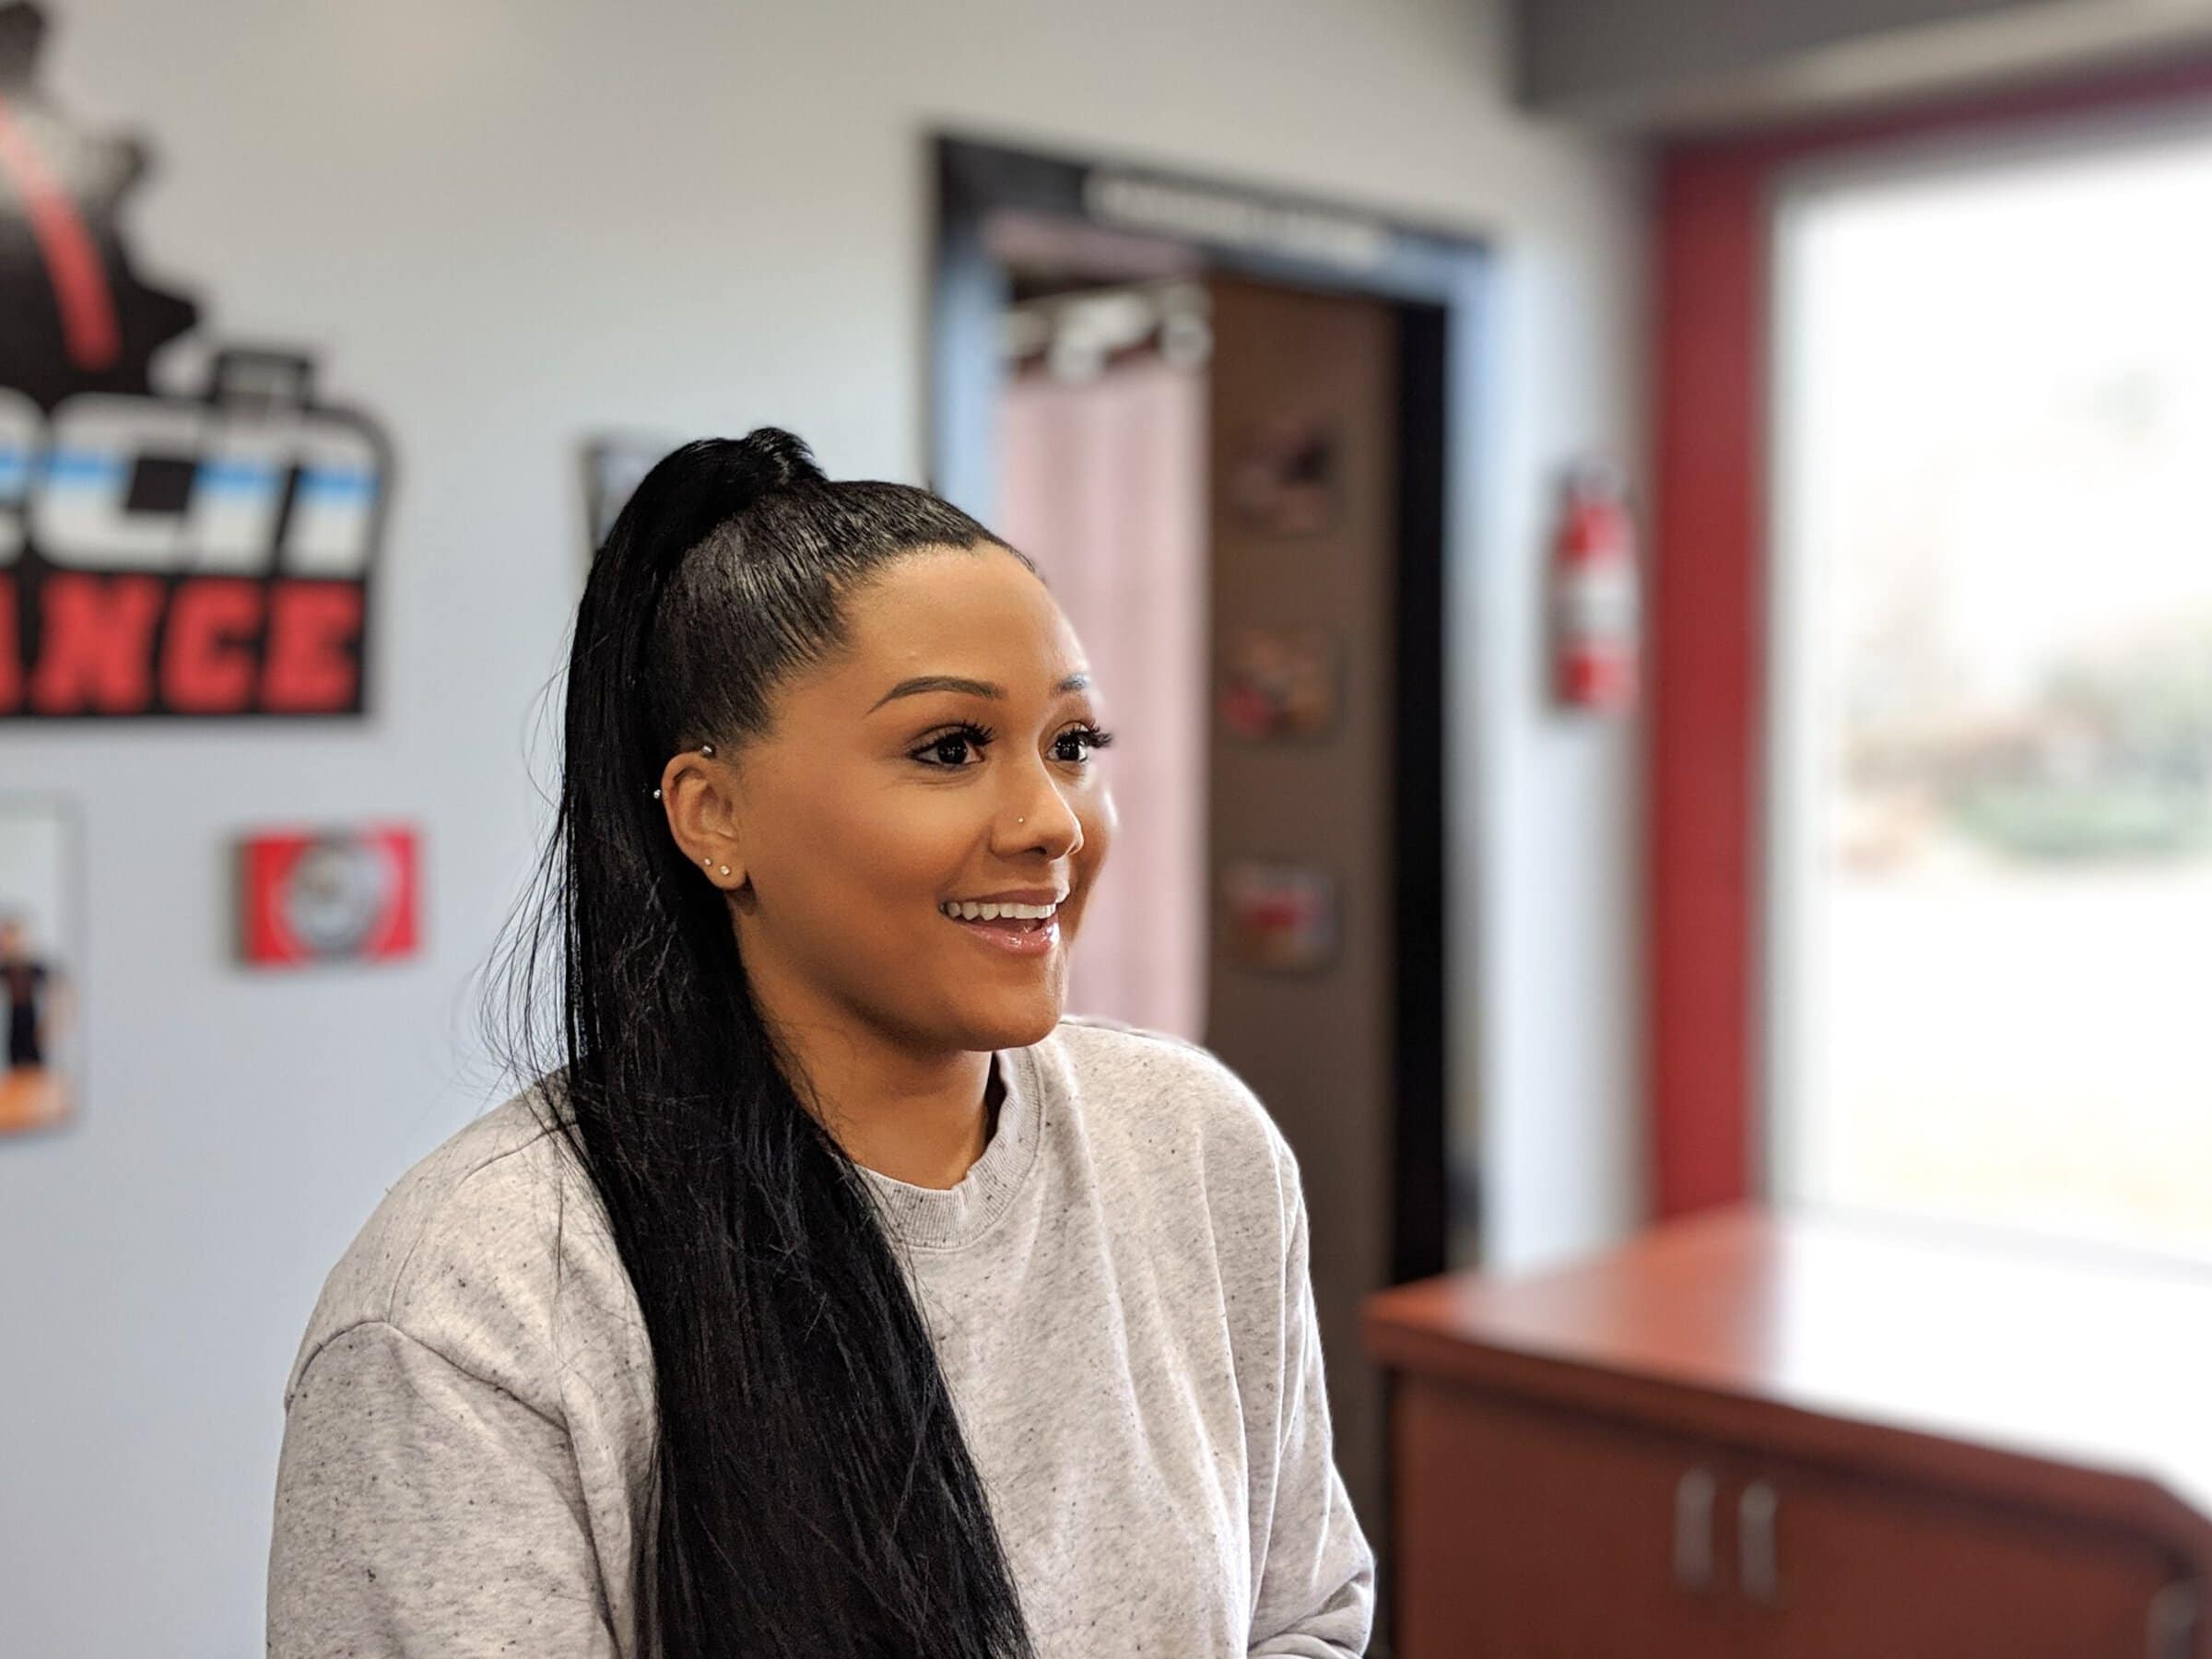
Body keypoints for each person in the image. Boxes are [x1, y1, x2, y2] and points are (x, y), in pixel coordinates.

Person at [265, 428, 1375, 1657]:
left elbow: (1307, 1614)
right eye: (950, 748)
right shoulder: (475, 1310)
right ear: (715, 814)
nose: (1052, 822)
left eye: (1073, 745)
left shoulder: (1193, 1144)